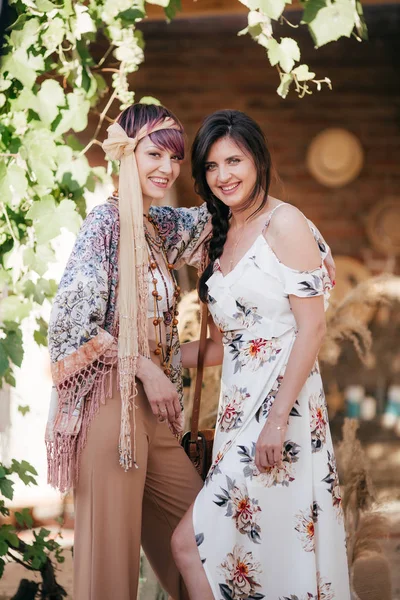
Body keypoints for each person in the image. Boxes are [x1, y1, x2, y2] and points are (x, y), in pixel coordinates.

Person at [171, 109, 350, 600]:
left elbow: (312, 327)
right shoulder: (222, 232)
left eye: (234, 160)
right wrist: (150, 356)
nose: (223, 175)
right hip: (237, 415)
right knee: (258, 549)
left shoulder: (285, 222)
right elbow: (225, 346)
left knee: (190, 543)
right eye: (211, 166)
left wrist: (275, 423)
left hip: (282, 414)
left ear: (258, 160)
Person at [46, 103, 211, 600]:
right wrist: (143, 366)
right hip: (109, 410)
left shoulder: (158, 228)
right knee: (110, 572)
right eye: (154, 153)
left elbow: (221, 215)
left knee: (207, 537)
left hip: (156, 416)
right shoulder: (104, 226)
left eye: (176, 158)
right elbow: (70, 329)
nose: (167, 167)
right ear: (126, 154)